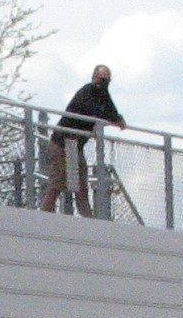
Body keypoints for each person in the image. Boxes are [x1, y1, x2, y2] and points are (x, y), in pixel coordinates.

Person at [41, 65, 125, 217]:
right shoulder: (86, 92)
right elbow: (93, 112)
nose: (103, 84)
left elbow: (110, 111)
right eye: (101, 79)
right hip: (62, 143)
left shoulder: (103, 95)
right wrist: (110, 119)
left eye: (107, 81)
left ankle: (88, 222)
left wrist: (118, 119)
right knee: (57, 182)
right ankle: (45, 217)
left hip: (74, 146)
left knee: (80, 186)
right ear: (94, 77)